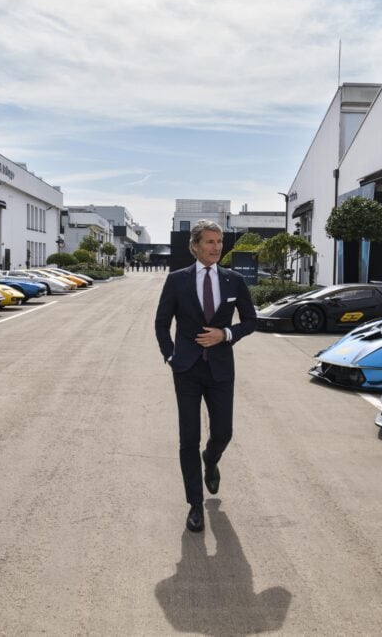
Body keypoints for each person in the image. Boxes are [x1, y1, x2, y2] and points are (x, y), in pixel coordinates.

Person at [154, 220, 257, 532]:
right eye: (210, 242)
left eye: (219, 241)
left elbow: (250, 321)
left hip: (221, 368)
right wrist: (170, 355)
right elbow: (161, 323)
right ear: (195, 246)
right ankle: (195, 505)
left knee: (223, 432)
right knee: (188, 438)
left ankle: (210, 460)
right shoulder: (176, 280)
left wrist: (225, 334)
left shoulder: (234, 280)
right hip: (186, 369)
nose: (216, 247)